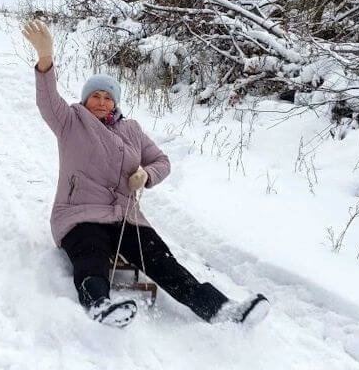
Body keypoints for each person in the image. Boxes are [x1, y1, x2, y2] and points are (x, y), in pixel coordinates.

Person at [22, 20, 270, 328]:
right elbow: (47, 100)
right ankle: (98, 304)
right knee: (90, 255)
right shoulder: (70, 121)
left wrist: (146, 174)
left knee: (162, 261)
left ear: (115, 103)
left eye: (108, 97)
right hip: (79, 215)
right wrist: (45, 59)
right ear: (86, 99)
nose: (101, 102)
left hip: (126, 218)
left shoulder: (132, 130)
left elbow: (162, 161)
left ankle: (221, 310)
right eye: (95, 96)